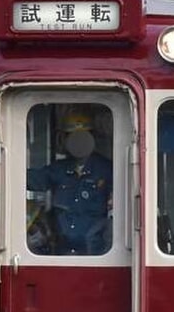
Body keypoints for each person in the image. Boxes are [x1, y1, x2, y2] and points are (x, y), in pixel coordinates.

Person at [27, 106, 113, 255]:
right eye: (71, 136)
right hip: (61, 251)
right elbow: (32, 180)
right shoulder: (58, 170)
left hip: (98, 253)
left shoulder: (107, 170)